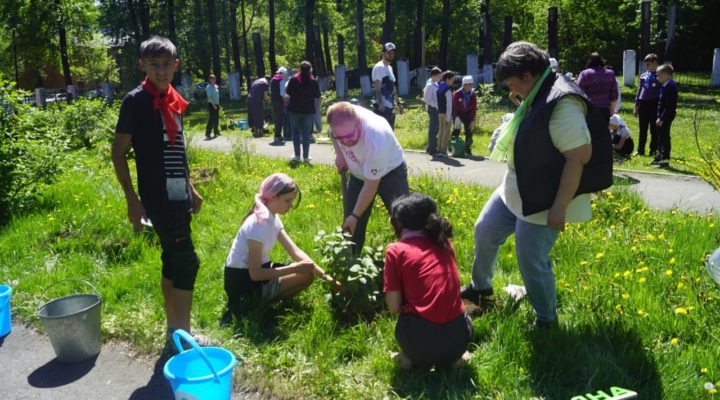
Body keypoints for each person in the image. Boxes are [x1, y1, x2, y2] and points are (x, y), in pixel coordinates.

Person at [461, 41, 594, 329]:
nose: (511, 91)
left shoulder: (563, 103)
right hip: (517, 188)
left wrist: (558, 208)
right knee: (485, 230)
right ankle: (480, 288)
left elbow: (579, 157)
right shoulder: (538, 91)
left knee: (530, 259)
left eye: (512, 83)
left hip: (545, 198)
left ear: (529, 75)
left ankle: (547, 320)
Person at [111, 35, 203, 341]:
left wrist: (190, 187)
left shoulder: (174, 99)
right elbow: (118, 151)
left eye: (166, 64)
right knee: (187, 261)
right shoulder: (135, 101)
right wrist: (132, 200)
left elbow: (175, 149)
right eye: (154, 64)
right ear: (142, 65)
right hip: (157, 196)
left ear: (175, 66)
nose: (161, 71)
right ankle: (184, 335)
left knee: (171, 257)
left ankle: (172, 327)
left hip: (178, 194)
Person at [223, 173, 336, 319]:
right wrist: (294, 268)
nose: (290, 206)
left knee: (307, 274)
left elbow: (295, 251)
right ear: (272, 197)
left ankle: (263, 303)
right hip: (242, 283)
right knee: (302, 273)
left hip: (254, 275)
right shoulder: (258, 224)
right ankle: (253, 305)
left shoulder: (271, 217)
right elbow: (255, 274)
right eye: (287, 201)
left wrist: (328, 278)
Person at [384, 193, 473, 370]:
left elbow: (393, 307)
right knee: (461, 313)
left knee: (409, 318)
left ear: (399, 224)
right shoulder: (445, 244)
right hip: (458, 339)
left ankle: (408, 358)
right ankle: (455, 358)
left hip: (418, 343)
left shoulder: (396, 250)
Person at [326, 101, 410, 254]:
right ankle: (352, 262)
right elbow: (331, 132)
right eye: (341, 138)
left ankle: (410, 259)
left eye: (350, 136)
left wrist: (355, 215)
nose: (346, 141)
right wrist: (340, 154)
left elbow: (371, 184)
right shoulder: (337, 119)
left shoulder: (376, 137)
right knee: (351, 225)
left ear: (358, 122)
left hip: (390, 172)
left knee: (403, 219)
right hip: (358, 172)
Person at [285, 61, 321, 163]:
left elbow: (288, 94)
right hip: (308, 112)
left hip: (294, 111)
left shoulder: (293, 80)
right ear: (310, 70)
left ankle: (297, 155)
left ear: (300, 69)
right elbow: (317, 97)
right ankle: (306, 157)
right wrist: (316, 108)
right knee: (306, 135)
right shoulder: (313, 81)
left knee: (295, 133)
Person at [576, 52, 618, 122]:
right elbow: (614, 95)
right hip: (605, 110)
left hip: (589, 110)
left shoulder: (584, 74)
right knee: (603, 132)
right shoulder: (610, 74)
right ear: (601, 61)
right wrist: (611, 110)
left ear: (589, 61)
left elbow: (579, 92)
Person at [634, 53, 660, 157]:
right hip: (643, 104)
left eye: (648, 64)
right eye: (646, 64)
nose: (647, 66)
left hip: (654, 103)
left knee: (654, 129)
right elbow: (639, 90)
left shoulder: (660, 75)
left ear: (655, 63)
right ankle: (640, 150)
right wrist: (636, 106)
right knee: (642, 128)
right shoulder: (644, 76)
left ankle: (653, 150)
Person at [652, 64, 678, 168]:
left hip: (666, 117)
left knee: (664, 138)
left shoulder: (671, 87)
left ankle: (665, 161)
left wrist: (662, 118)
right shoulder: (665, 85)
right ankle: (659, 157)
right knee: (660, 137)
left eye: (658, 75)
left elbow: (669, 106)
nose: (657, 77)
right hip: (661, 116)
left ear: (666, 74)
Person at [372, 42, 399, 128]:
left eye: (393, 53)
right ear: (383, 53)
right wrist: (380, 104)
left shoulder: (389, 68)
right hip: (382, 109)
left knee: (390, 134)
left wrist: (398, 103)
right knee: (381, 136)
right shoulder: (379, 67)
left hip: (390, 108)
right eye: (389, 53)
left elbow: (393, 87)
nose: (391, 55)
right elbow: (377, 88)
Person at [452, 76, 478, 155]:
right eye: (469, 84)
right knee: (457, 129)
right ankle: (452, 146)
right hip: (458, 113)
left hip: (467, 113)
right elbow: (454, 106)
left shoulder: (472, 94)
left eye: (471, 84)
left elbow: (474, 108)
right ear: (464, 85)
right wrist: (456, 117)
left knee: (469, 130)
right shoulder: (457, 93)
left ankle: (467, 148)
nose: (471, 86)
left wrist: (472, 120)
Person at [422, 67, 443, 156]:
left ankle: (430, 147)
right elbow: (426, 99)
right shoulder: (430, 85)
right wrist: (436, 105)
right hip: (433, 109)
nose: (440, 78)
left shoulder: (434, 83)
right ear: (433, 75)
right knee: (433, 129)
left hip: (436, 109)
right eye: (439, 76)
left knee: (435, 128)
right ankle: (432, 150)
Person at [436, 71, 455, 157]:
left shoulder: (439, 86)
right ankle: (444, 151)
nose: (453, 81)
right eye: (452, 79)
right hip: (446, 113)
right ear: (447, 79)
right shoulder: (448, 90)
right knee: (446, 132)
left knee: (441, 131)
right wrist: (448, 118)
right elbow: (449, 105)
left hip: (440, 113)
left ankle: (439, 149)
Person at [270, 67, 289, 145]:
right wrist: (286, 98)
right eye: (285, 74)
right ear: (282, 73)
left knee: (276, 118)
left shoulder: (273, 79)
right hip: (279, 101)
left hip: (274, 100)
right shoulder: (281, 81)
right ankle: (277, 136)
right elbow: (282, 93)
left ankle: (277, 135)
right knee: (279, 119)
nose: (285, 76)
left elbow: (270, 91)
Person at [205, 74, 220, 139]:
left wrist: (218, 104)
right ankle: (207, 134)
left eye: (214, 79)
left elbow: (217, 96)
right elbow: (209, 97)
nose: (214, 80)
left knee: (216, 118)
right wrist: (213, 105)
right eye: (212, 79)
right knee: (211, 119)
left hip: (216, 104)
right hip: (211, 104)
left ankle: (216, 132)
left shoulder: (216, 86)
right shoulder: (208, 87)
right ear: (210, 80)